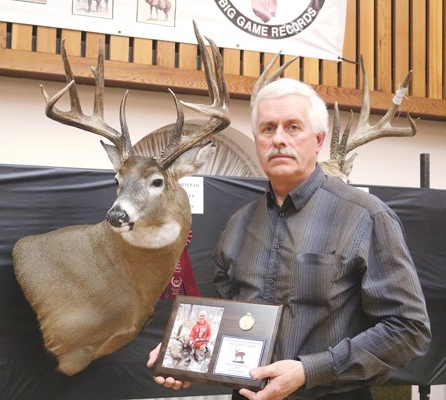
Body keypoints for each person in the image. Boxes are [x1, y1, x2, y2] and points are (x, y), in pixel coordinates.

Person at [147, 78, 431, 400]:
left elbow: (408, 330)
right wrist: (183, 352)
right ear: (256, 140)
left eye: (293, 127)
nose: (279, 139)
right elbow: (227, 320)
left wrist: (308, 370)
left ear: (318, 140)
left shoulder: (365, 217)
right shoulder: (238, 225)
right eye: (268, 129)